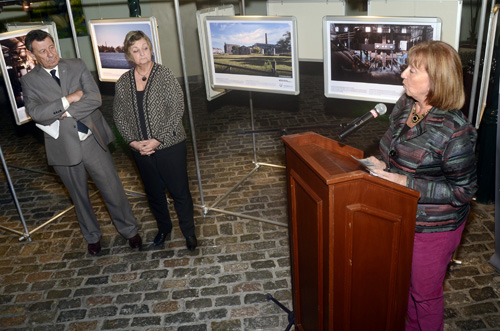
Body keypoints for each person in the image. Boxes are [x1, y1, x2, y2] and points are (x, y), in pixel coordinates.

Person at [365, 41, 477, 330]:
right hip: (400, 214)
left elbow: (464, 191)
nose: (403, 74)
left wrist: (405, 181)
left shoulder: (456, 132)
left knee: (424, 296)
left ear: (436, 82)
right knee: (404, 287)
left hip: (434, 228)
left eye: (412, 70)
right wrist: (383, 166)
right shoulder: (406, 105)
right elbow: (397, 151)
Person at [21, 29, 142, 256]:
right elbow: (36, 112)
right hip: (63, 148)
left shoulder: (76, 64)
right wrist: (68, 99)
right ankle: (92, 237)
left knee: (112, 188)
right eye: (42, 52)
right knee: (79, 196)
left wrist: (64, 113)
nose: (49, 54)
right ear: (32, 54)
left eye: (51, 47)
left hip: (91, 140)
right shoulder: (29, 81)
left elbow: (94, 98)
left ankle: (130, 230)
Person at [113, 30, 197, 251]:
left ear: (150, 48)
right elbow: (119, 116)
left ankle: (189, 232)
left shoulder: (165, 75)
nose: (142, 53)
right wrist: (132, 142)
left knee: (179, 192)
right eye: (136, 50)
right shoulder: (123, 82)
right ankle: (164, 229)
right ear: (129, 55)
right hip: (140, 150)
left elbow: (177, 107)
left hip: (170, 146)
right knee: (154, 194)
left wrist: (157, 139)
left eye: (145, 48)